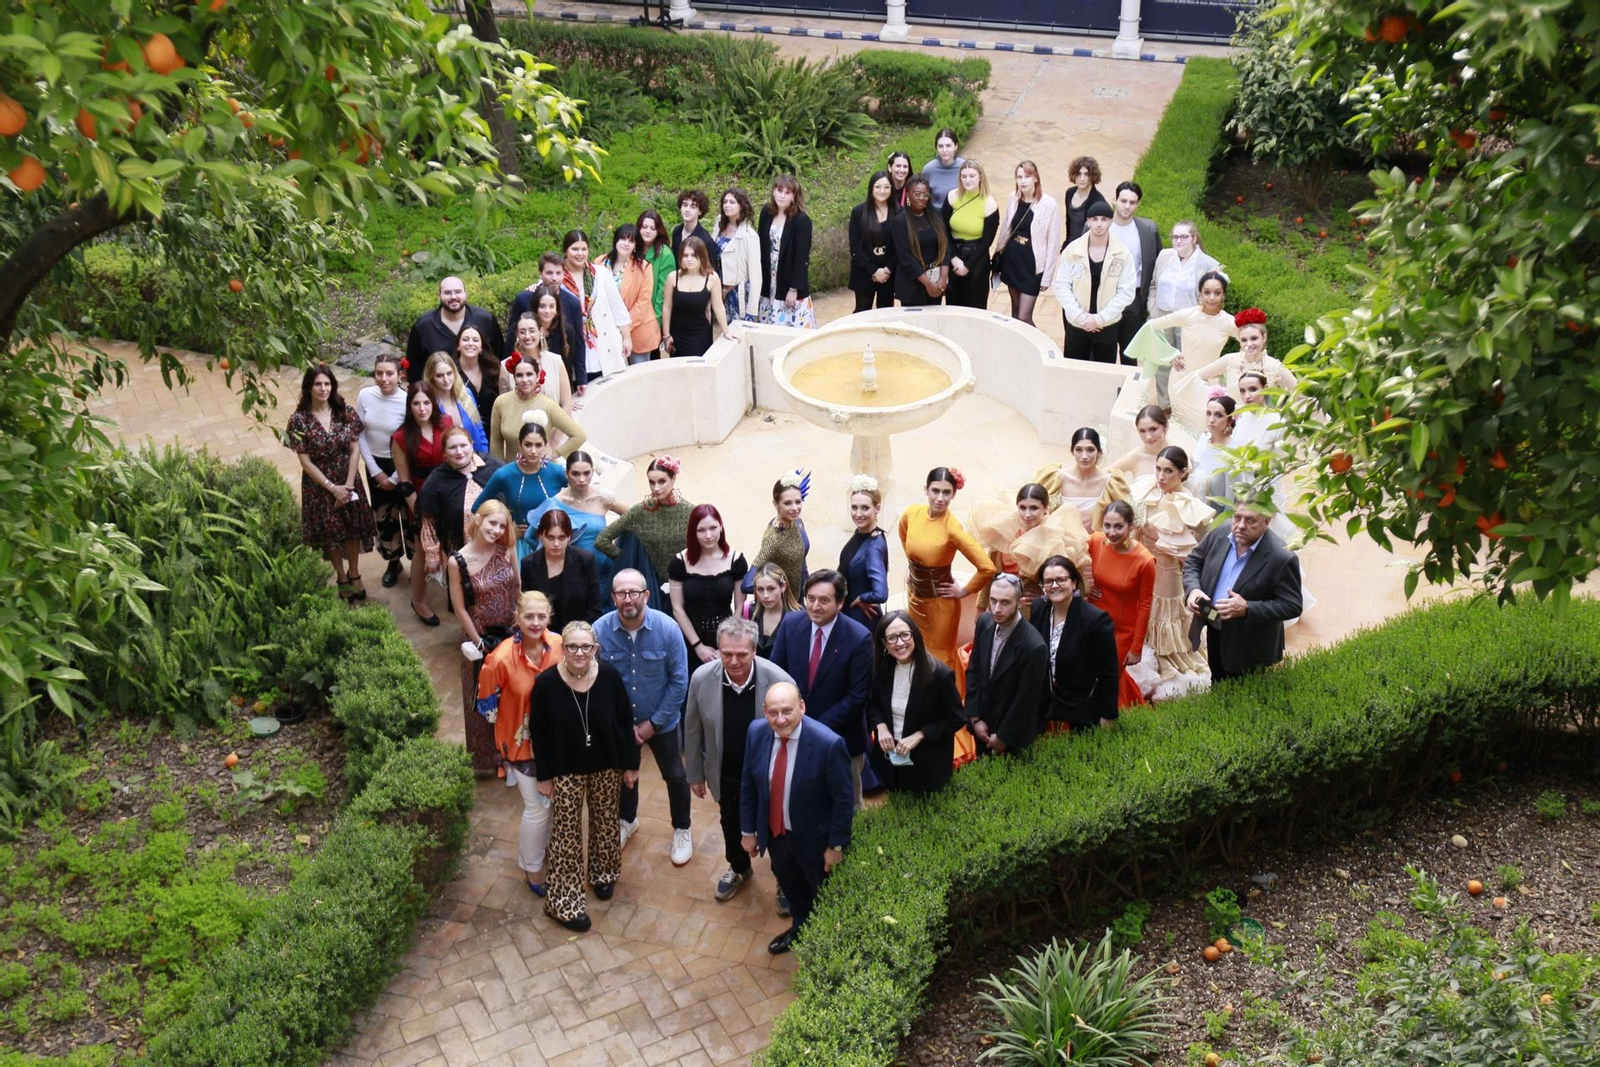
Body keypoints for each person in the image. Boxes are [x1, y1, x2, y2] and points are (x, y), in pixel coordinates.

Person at [528, 620, 640, 933]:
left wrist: (631, 764)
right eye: (573, 647)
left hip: (607, 764)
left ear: (595, 649)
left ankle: (604, 873)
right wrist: (544, 776)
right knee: (566, 832)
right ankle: (563, 902)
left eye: (586, 647)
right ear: (562, 649)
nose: (579, 652)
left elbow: (624, 722)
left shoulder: (610, 677)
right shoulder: (546, 684)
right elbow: (539, 733)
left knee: (606, 820)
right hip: (565, 768)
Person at [683, 618, 796, 902]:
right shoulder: (701, 678)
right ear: (718, 649)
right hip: (726, 773)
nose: (733, 661)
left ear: (754, 650)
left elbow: (795, 734)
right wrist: (695, 774)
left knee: (779, 829)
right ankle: (739, 867)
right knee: (730, 823)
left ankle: (785, 879)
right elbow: (693, 728)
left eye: (742, 654)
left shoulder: (780, 682)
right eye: (727, 654)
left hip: (771, 775)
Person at [739, 681, 854, 955]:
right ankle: (800, 928)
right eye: (773, 713)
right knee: (791, 887)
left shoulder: (828, 744)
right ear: (765, 712)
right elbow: (749, 785)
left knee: (824, 894)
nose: (780, 720)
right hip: (777, 836)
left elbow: (843, 800)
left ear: (801, 707)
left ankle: (830, 947)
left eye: (787, 711)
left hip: (815, 841)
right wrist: (748, 831)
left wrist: (836, 846)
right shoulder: (756, 732)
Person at [594, 569, 693, 865]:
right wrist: (619, 725)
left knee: (675, 775)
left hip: (662, 721)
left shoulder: (668, 629)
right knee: (625, 776)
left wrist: (654, 724)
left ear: (646, 595)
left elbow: (679, 682)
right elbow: (593, 680)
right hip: (620, 725)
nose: (628, 599)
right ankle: (627, 821)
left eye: (634, 592)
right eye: (621, 593)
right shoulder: (599, 631)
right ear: (613, 597)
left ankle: (682, 828)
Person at [475, 590, 564, 895]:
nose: (535, 623)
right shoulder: (499, 658)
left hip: (557, 742)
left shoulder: (561, 646)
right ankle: (533, 867)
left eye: (541, 616)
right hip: (521, 745)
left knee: (550, 804)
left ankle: (539, 850)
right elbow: (487, 706)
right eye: (529, 617)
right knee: (538, 808)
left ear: (549, 617)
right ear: (517, 618)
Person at [769, 570, 872, 809]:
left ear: (840, 603)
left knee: (846, 807)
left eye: (824, 600)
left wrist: (811, 728)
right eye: (811, 598)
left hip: (841, 739)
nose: (815, 606)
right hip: (793, 732)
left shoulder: (859, 638)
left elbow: (857, 698)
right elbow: (776, 675)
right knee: (802, 803)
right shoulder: (790, 624)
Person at [1127, 446, 1213, 701]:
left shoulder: (1193, 506)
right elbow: (1135, 534)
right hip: (1142, 565)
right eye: (1158, 469)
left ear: (1183, 472)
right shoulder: (1144, 493)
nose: (1161, 476)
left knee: (1166, 616)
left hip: (1169, 573)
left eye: (1168, 471)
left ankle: (1167, 666)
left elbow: (1199, 551)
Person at [1183, 502, 1304, 682]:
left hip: (1249, 646)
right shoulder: (1221, 532)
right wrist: (1193, 590)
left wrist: (1247, 608)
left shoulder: (1282, 557)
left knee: (1243, 691)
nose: (1240, 526)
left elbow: (1292, 605)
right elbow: (1193, 561)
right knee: (1217, 679)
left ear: (1266, 521)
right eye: (1237, 517)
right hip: (1213, 623)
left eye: (1250, 520)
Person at [285, 364, 377, 600]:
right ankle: (341, 576)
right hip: (319, 486)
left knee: (352, 529)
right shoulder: (298, 421)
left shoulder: (345, 412)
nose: (323, 388)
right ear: (309, 387)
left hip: (348, 480)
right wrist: (333, 489)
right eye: (318, 384)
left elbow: (355, 449)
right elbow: (305, 462)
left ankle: (354, 573)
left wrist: (347, 485)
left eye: (327, 384)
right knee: (331, 533)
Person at [448, 498, 521, 776]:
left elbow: (517, 585)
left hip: (510, 633)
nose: (497, 530)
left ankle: (514, 755)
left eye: (502, 526)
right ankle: (486, 760)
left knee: (514, 696)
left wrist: (521, 626)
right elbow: (459, 608)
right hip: (479, 636)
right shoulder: (457, 561)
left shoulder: (506, 548)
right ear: (477, 520)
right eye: (492, 523)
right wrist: (479, 642)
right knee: (481, 699)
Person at [898, 467, 997, 670]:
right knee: (917, 650)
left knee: (940, 659)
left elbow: (987, 567)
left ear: (953, 494)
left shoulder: (953, 529)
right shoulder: (911, 513)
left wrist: (964, 591)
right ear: (926, 489)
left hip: (941, 606)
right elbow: (904, 535)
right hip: (916, 598)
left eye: (946, 492)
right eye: (935, 491)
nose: (940, 498)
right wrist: (915, 568)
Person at [867, 612, 964, 793]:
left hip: (925, 765)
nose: (900, 643)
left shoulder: (940, 675)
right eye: (892, 638)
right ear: (884, 643)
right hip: (889, 763)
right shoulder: (881, 668)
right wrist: (881, 727)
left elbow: (956, 718)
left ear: (915, 635)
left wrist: (920, 735)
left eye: (905, 635)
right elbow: (872, 704)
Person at [1029, 555, 1120, 732]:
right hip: (1045, 709)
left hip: (1081, 709)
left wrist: (1109, 715)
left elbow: (1108, 673)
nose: (1054, 585)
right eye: (1048, 581)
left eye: (1061, 580)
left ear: (1074, 582)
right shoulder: (1039, 609)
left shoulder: (1095, 620)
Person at [969, 482, 1090, 614]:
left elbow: (1075, 586)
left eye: (1034, 508)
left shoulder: (1055, 539)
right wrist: (980, 608)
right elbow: (990, 573)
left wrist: (1044, 594)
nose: (1027, 514)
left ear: (1045, 508)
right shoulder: (1005, 530)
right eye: (1022, 507)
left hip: (1034, 614)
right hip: (999, 610)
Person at [1177, 307, 1298, 433]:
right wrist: (1217, 399)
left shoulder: (1274, 367)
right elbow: (1198, 377)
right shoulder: (1230, 360)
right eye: (1244, 340)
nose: (1249, 344)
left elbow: (1300, 394)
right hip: (1230, 428)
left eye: (1254, 338)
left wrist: (1282, 419)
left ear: (1264, 337)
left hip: (1260, 429)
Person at [965, 574, 1049, 756]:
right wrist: (975, 717)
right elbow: (974, 670)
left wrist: (1003, 736)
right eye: (993, 600)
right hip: (981, 727)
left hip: (1012, 738)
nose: (997, 609)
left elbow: (1026, 699)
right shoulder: (984, 621)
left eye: (1005, 603)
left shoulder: (1034, 646)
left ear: (1019, 602)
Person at [391, 383, 452, 625]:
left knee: (453, 543)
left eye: (426, 402)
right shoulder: (400, 437)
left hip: (448, 491)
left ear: (433, 404)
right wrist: (421, 512)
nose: (422, 408)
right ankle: (418, 600)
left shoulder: (446, 423)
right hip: (419, 497)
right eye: (416, 403)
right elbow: (404, 482)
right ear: (409, 407)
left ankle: (456, 593)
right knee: (422, 548)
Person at [1086, 501, 1156, 708]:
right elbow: (1070, 558)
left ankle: (1106, 718)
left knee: (1107, 676)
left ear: (1131, 526)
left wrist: (1136, 648)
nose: (1111, 532)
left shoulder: (1145, 560)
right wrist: (1084, 585)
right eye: (1107, 525)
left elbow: (1145, 605)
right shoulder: (1095, 541)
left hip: (1122, 631)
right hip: (1093, 621)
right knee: (1088, 672)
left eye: (1118, 526)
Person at [595, 455, 694, 600]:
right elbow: (602, 540)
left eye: (662, 481)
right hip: (650, 589)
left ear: (673, 479)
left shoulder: (691, 512)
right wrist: (629, 560)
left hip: (683, 586)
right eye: (651, 482)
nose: (656, 488)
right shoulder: (640, 511)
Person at [1146, 271, 1239, 421]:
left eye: (1217, 293)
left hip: (1208, 384)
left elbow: (1249, 344)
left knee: (1204, 423)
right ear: (1200, 293)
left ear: (1223, 295)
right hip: (1180, 379)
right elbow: (1151, 327)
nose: (1211, 297)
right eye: (1207, 292)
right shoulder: (1188, 315)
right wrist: (1170, 354)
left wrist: (1228, 369)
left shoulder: (1229, 322)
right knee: (1181, 424)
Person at [417, 424, 502, 588]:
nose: (459, 451)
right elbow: (428, 520)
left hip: (497, 544)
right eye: (452, 447)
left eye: (463, 445)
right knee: (466, 593)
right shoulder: (436, 481)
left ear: (472, 445)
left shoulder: (492, 466)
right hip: (462, 550)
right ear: (444, 453)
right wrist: (432, 554)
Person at [1054, 200, 1135, 363]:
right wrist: (1081, 317)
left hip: (1107, 325)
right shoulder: (1072, 251)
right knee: (1074, 369)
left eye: (1104, 219)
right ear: (1088, 221)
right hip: (1077, 325)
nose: (1099, 224)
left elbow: (1126, 292)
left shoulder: (1123, 254)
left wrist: (1099, 319)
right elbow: (1062, 285)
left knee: (1104, 372)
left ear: (1111, 222)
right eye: (1095, 219)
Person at [669, 504, 749, 665]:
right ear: (693, 532)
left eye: (713, 528)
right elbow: (677, 608)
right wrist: (698, 646)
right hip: (689, 638)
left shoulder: (736, 560)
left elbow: (740, 606)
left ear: (721, 527)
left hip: (727, 636)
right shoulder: (679, 562)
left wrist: (726, 642)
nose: (708, 535)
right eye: (701, 530)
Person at [355, 354, 410, 589]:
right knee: (385, 517)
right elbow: (360, 433)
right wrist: (375, 471)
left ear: (400, 375)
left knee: (408, 516)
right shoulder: (365, 396)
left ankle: (417, 563)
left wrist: (396, 476)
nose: (384, 378)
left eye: (389, 373)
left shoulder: (407, 401)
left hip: (402, 466)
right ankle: (393, 562)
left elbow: (410, 440)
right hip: (375, 465)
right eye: (379, 373)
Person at [995, 159, 1062, 327]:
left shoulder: (1049, 204)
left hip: (1032, 264)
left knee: (1024, 316)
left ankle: (1038, 342)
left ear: (1036, 178)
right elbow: (1006, 228)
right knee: (1015, 311)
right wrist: (997, 254)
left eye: (1027, 176)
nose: (1023, 181)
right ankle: (1017, 343)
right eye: (1019, 177)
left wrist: (1047, 277)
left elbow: (1053, 243)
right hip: (1012, 259)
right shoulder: (1013, 197)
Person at [560, 229, 631, 386]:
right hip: (575, 345)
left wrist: (627, 338)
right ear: (565, 250)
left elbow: (617, 307)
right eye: (575, 249)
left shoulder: (600, 274)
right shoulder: (557, 278)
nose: (580, 253)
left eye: (583, 249)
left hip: (602, 342)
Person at [488, 350, 585, 463]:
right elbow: (496, 443)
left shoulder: (548, 405)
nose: (524, 380)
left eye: (529, 374)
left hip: (543, 470)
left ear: (538, 376)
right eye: (519, 375)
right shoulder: (501, 402)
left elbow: (579, 436)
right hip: (512, 470)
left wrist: (555, 453)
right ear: (514, 378)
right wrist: (500, 470)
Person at [405, 276, 504, 382]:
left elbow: (500, 357)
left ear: (465, 293)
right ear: (439, 295)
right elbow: (413, 369)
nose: (453, 297)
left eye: (458, 292)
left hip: (483, 388)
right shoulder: (423, 326)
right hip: (438, 390)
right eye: (447, 293)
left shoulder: (485, 320)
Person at [520, 508, 604, 633]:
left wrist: (575, 634)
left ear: (569, 536)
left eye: (561, 537)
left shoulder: (585, 560)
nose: (556, 544)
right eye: (550, 537)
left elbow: (594, 607)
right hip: (542, 634)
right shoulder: (529, 564)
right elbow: (527, 606)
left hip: (578, 635)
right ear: (541, 536)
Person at [540, 450, 628, 570]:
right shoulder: (554, 503)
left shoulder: (602, 498)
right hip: (574, 572)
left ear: (593, 472)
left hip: (606, 569)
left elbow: (633, 516)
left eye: (586, 473)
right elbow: (536, 536)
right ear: (566, 473)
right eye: (575, 474)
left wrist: (617, 544)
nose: (582, 479)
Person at [479, 422, 567, 540]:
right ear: (520, 445)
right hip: (522, 543)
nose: (533, 451)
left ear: (546, 445)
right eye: (528, 445)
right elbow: (477, 508)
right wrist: (505, 529)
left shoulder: (557, 471)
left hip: (555, 543)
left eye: (538, 445)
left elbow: (582, 496)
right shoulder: (504, 474)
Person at [1033, 426, 1131, 530]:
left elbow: (1126, 520)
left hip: (1097, 539)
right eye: (1078, 450)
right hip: (1057, 539)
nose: (1084, 456)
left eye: (1090, 450)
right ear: (1072, 451)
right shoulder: (1053, 479)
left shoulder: (1112, 484)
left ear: (1099, 452)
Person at [506, 253, 581, 384]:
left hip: (556, 378)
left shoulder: (572, 303)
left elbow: (577, 346)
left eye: (558, 273)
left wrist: (580, 379)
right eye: (549, 273)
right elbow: (511, 338)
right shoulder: (524, 299)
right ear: (540, 274)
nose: (554, 278)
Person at [1109, 181, 1163, 361]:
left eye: (1132, 202)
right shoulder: (1101, 226)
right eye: (1123, 201)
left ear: (1138, 204)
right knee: (1104, 351)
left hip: (1134, 299)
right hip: (1105, 298)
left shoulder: (1148, 230)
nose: (1127, 206)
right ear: (1115, 199)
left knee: (1130, 353)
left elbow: (1158, 264)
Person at [662, 237, 738, 359]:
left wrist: (726, 331)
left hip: (700, 334)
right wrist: (666, 336)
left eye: (693, 255)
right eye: (685, 255)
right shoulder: (672, 277)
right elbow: (667, 307)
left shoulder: (712, 278)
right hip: (677, 335)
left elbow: (718, 306)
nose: (689, 259)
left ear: (702, 256)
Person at [1147, 219, 1223, 340]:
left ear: (1194, 238)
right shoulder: (1164, 256)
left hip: (1188, 322)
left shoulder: (1209, 265)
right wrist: (1152, 307)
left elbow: (1213, 297)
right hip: (1161, 318)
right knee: (1160, 351)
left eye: (1184, 237)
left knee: (1185, 352)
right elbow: (1153, 285)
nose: (1179, 241)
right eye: (1175, 237)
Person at [757, 175, 816, 328]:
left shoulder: (801, 221)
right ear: (773, 191)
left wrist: (793, 289)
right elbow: (760, 245)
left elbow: (801, 258)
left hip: (788, 280)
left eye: (787, 192)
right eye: (779, 190)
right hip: (769, 279)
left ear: (794, 196)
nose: (782, 195)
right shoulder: (766, 213)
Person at [941, 160, 999, 310]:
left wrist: (967, 266)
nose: (968, 180)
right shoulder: (952, 197)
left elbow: (987, 241)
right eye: (964, 176)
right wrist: (953, 258)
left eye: (972, 176)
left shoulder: (989, 203)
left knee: (975, 306)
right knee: (953, 305)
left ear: (980, 177)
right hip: (954, 253)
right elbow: (943, 230)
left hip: (977, 258)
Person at [744, 471, 810, 598]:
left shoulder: (796, 520)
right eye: (787, 503)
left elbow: (801, 558)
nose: (795, 508)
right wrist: (777, 587)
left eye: (798, 501)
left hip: (800, 598)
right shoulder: (773, 540)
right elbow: (747, 584)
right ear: (775, 504)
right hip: (784, 605)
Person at [602, 223, 660, 364]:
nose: (626, 244)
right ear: (616, 240)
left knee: (640, 373)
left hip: (637, 329)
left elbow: (643, 302)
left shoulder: (644, 267)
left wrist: (623, 328)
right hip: (608, 330)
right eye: (623, 239)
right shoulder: (600, 263)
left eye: (631, 240)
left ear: (635, 245)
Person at [890, 176, 950, 307]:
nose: (921, 198)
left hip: (936, 280)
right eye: (917, 194)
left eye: (925, 194)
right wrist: (928, 284)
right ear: (908, 194)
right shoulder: (899, 222)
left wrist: (943, 278)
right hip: (911, 284)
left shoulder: (936, 215)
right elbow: (906, 258)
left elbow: (945, 247)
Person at [838, 475, 889, 630]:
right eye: (854, 507)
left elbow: (880, 593)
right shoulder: (862, 534)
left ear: (877, 508)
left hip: (860, 619)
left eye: (865, 508)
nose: (858, 514)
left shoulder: (873, 547)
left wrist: (862, 598)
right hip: (848, 613)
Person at [503, 308, 574, 414]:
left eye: (532, 331)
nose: (527, 336)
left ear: (540, 332)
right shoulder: (505, 367)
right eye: (522, 332)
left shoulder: (556, 362)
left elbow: (567, 404)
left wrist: (557, 425)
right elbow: (504, 410)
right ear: (517, 334)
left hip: (556, 423)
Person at [421, 351, 490, 456]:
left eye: (449, 373)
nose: (446, 379)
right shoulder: (429, 403)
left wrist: (484, 456)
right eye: (439, 376)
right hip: (447, 461)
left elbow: (479, 430)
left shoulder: (466, 394)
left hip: (476, 457)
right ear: (431, 378)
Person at [848, 170, 897, 313]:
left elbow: (899, 246)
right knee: (862, 312)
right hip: (864, 271)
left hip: (888, 273)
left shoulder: (898, 212)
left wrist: (887, 270)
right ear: (871, 188)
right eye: (878, 186)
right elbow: (855, 246)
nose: (882, 191)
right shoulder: (858, 212)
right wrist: (873, 271)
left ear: (892, 189)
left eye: (886, 187)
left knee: (886, 313)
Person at [714, 187, 763, 323]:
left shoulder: (749, 236)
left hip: (739, 293)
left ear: (741, 205)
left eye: (732, 202)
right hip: (721, 289)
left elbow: (755, 276)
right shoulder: (719, 224)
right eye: (725, 202)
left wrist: (752, 310)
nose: (727, 205)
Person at [454, 324, 509, 430]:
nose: (470, 343)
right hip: (463, 434)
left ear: (481, 347)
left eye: (475, 340)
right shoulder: (451, 373)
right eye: (465, 339)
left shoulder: (494, 370)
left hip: (494, 431)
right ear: (458, 346)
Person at [1188, 392, 1238, 507]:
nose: (1211, 420)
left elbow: (1230, 501)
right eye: (1208, 413)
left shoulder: (1233, 454)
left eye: (1218, 415)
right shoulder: (1203, 438)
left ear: (1230, 420)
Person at [746, 562, 798, 661]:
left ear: (783, 587)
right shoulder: (749, 613)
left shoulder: (796, 618)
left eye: (771, 589)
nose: (765, 595)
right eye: (760, 589)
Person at [637, 210, 676, 340]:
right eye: (644, 227)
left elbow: (662, 294)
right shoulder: (634, 249)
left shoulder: (665, 255)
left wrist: (655, 324)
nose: (647, 231)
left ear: (658, 231)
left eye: (652, 228)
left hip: (651, 318)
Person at [1110, 405, 1172, 483]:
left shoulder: (1179, 455)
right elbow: (1101, 477)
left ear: (1166, 426)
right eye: (1142, 431)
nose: (1148, 437)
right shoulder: (1135, 457)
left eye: (1153, 429)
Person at [1061, 155, 1109, 248]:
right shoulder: (1069, 193)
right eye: (1079, 174)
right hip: (1071, 245)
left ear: (1092, 176)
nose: (1082, 178)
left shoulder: (1098, 200)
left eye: (1086, 174)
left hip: (1087, 248)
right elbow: (1069, 223)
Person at [672, 189, 722, 276]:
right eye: (685, 205)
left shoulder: (705, 240)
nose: (687, 210)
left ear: (700, 211)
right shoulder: (677, 232)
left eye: (693, 207)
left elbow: (712, 270)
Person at [921, 127, 965, 207]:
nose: (944, 150)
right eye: (941, 146)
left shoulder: (964, 167)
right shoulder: (928, 169)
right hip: (936, 212)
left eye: (948, 146)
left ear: (956, 146)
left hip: (959, 211)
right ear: (936, 148)